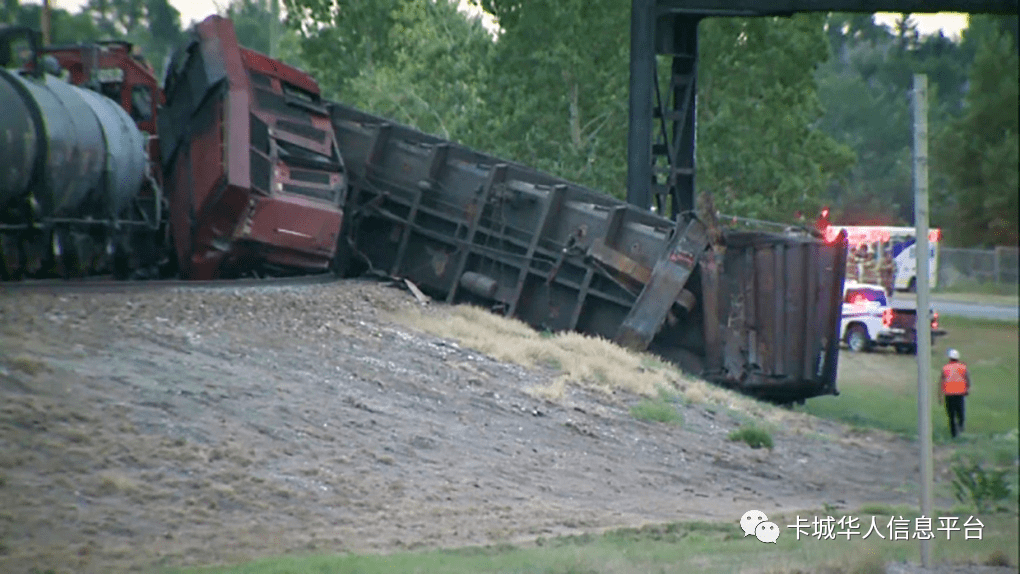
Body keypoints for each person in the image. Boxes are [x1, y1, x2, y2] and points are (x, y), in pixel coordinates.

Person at [939, 348, 970, 438]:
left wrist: (940, 395)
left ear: (949, 358)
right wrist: (967, 389)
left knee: (951, 415)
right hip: (960, 393)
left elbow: (942, 380)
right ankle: (960, 428)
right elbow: (967, 379)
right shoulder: (963, 367)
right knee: (960, 412)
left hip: (949, 394)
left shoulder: (945, 368)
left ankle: (953, 433)